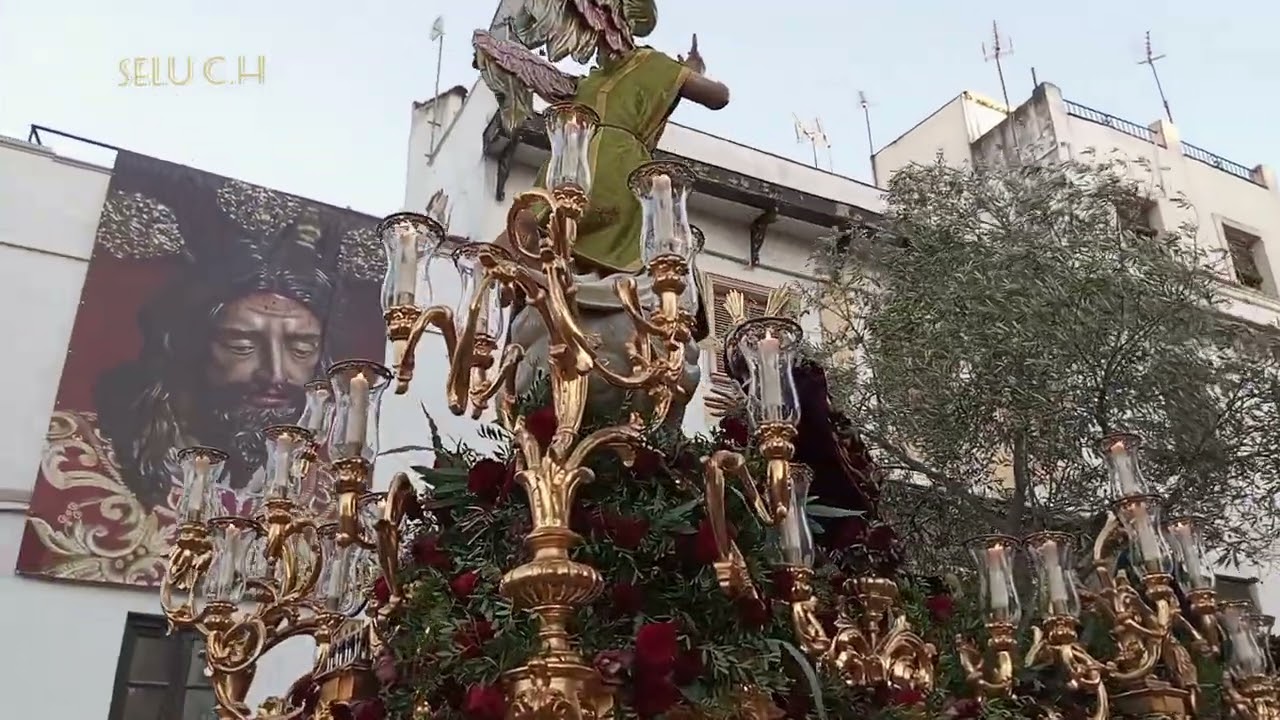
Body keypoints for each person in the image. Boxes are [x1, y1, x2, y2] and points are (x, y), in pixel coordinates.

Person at [94, 211, 334, 510]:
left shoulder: (331, 498)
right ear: (186, 345)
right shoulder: (84, 459)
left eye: (301, 349)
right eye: (241, 344)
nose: (275, 374)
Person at [499, 34, 730, 276]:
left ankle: (515, 276)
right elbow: (718, 95)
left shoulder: (629, 69)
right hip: (604, 163)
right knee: (534, 223)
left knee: (529, 220)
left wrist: (685, 72)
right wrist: (692, 71)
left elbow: (718, 97)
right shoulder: (622, 71)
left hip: (576, 161)